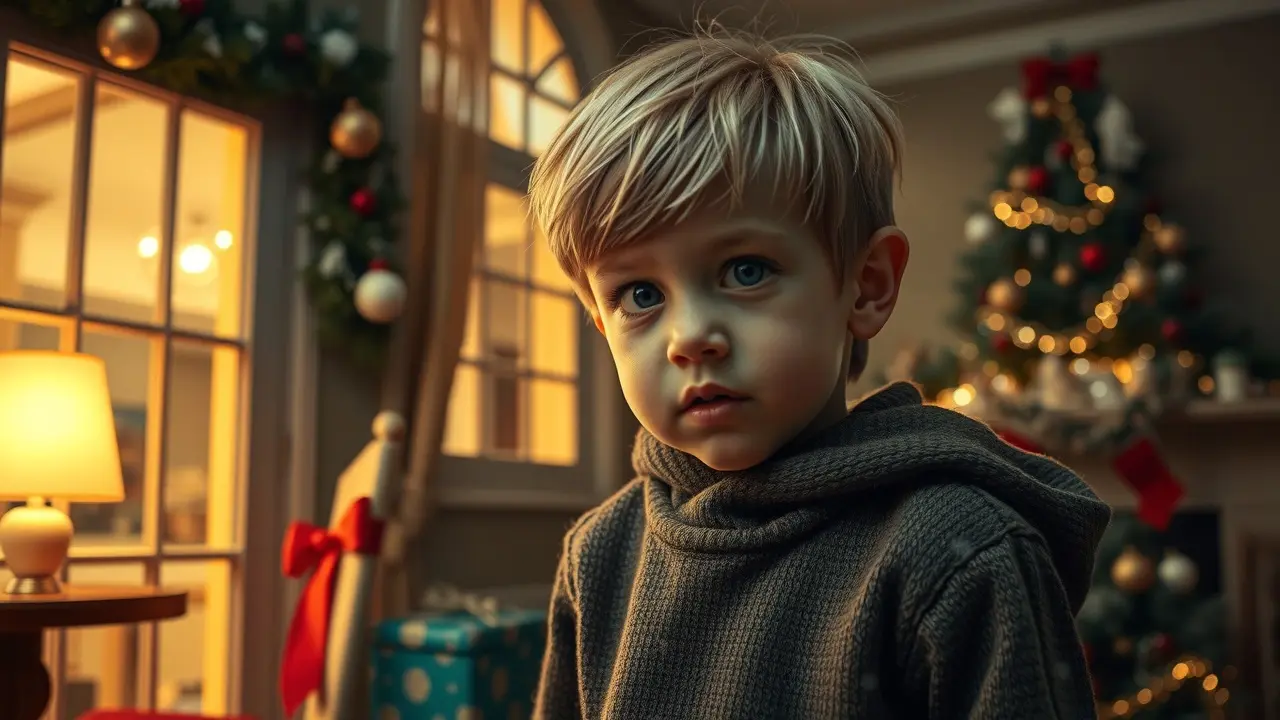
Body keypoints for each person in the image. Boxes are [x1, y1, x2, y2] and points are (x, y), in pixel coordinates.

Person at [526, 26, 1111, 720]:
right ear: (601, 323)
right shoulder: (598, 555)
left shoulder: (959, 552)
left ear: (866, 286)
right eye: (640, 294)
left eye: (746, 271)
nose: (690, 338)